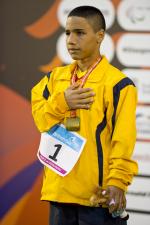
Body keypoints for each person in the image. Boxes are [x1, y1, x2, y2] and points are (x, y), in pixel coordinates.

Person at [31, 6, 138, 225]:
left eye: (80, 33)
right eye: (68, 32)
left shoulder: (118, 84)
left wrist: (117, 181)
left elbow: (123, 140)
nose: (71, 40)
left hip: (97, 197)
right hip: (59, 193)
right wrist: (63, 102)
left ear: (100, 37)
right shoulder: (54, 79)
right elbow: (40, 120)